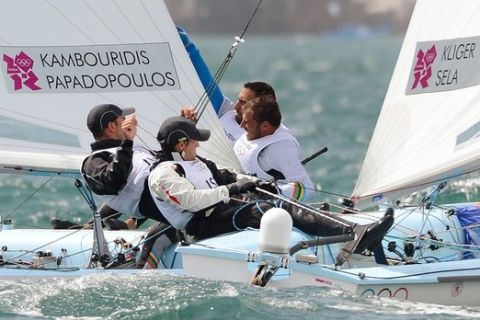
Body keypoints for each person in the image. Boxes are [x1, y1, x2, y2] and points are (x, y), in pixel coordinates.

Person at [147, 116, 394, 266]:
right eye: (193, 141)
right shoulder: (164, 173)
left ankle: (352, 231)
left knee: (271, 199)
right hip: (199, 227)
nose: (198, 144)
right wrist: (231, 189)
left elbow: (230, 175)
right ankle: (352, 234)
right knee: (265, 210)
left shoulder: (199, 162)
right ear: (180, 144)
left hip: (221, 213)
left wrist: (255, 183)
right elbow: (189, 201)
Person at [54, 103, 178, 268]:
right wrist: (127, 143)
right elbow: (114, 182)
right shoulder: (95, 160)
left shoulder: (133, 149)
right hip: (171, 206)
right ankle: (119, 229)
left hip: (177, 192)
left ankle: (102, 225)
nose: (127, 122)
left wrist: (185, 128)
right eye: (123, 119)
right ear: (112, 126)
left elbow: (174, 159)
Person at [234, 96, 315, 201]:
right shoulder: (256, 133)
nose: (241, 126)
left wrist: (275, 191)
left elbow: (308, 189)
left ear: (265, 126)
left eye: (246, 122)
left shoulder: (281, 149)